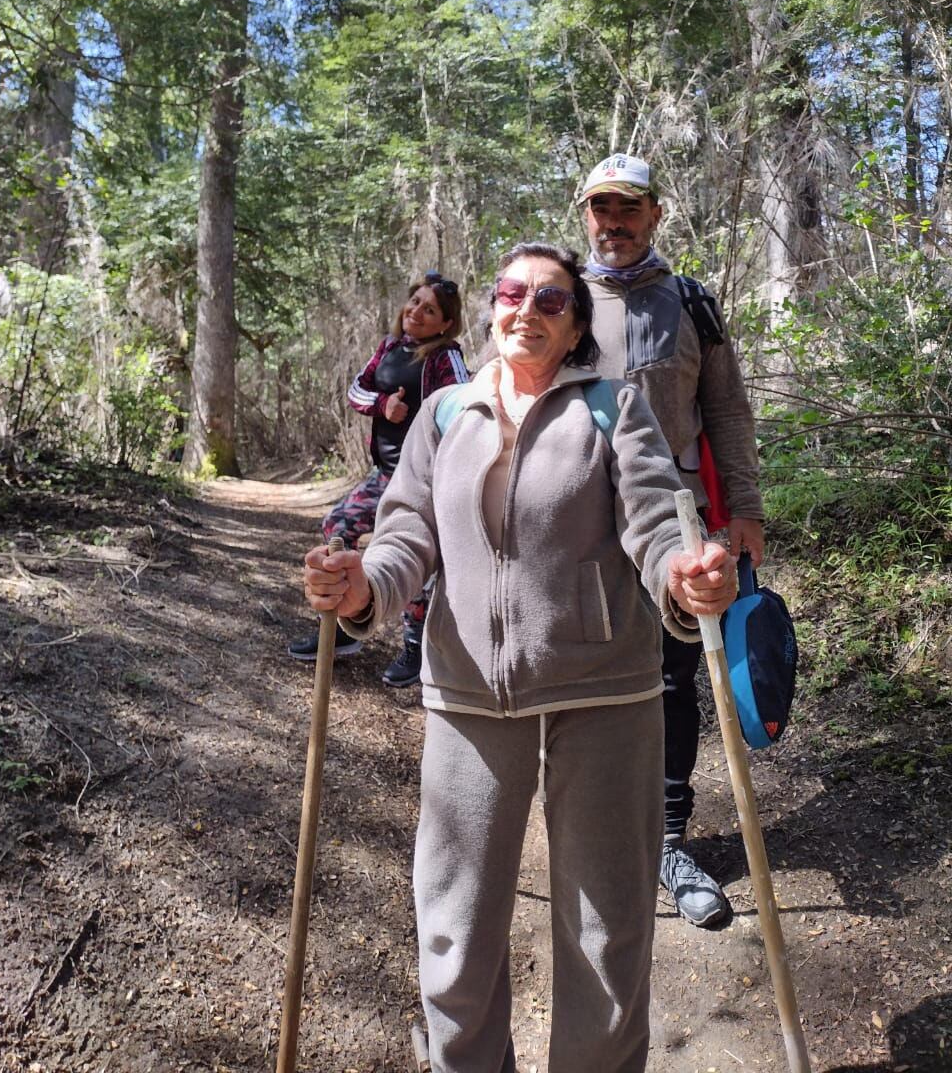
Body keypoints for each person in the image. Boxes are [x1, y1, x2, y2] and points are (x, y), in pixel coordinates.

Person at [303, 242, 737, 1073]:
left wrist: (686, 582)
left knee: (607, 936)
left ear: (575, 326)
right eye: (512, 293)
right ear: (493, 307)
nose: (526, 310)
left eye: (551, 300)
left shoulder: (615, 407)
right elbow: (405, 540)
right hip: (466, 698)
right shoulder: (443, 415)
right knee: (454, 934)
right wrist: (361, 589)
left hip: (607, 694)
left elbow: (652, 527)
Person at [578, 151, 766, 928]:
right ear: (585, 215)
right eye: (600, 208)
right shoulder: (557, 298)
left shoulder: (691, 302)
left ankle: (665, 841)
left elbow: (725, 410)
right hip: (580, 528)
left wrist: (745, 509)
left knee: (670, 681)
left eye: (629, 208)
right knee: (582, 678)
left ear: (656, 213)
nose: (613, 223)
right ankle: (590, 830)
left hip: (679, 528)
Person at [289, 271, 468, 687]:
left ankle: (416, 642)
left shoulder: (445, 357)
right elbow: (356, 390)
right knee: (338, 526)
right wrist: (383, 404)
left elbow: (465, 404)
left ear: (445, 323)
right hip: (384, 473)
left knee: (415, 555)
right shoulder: (389, 348)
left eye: (429, 309)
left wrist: (432, 423)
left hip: (425, 479)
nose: (416, 312)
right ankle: (339, 628)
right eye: (414, 302)